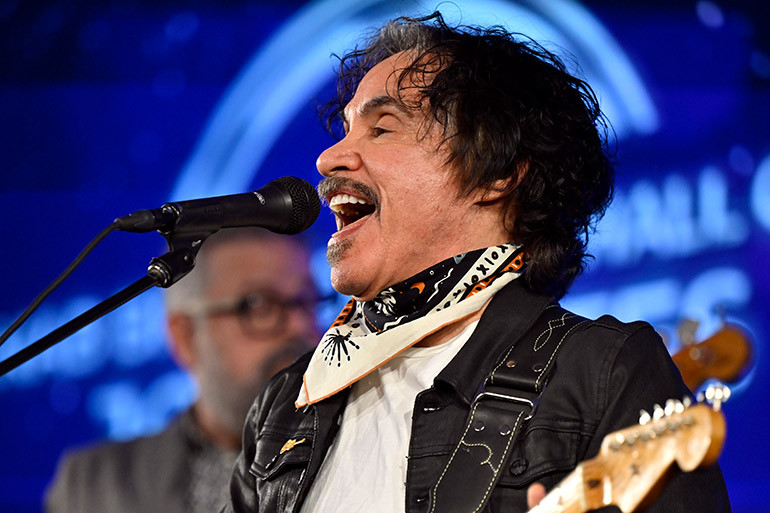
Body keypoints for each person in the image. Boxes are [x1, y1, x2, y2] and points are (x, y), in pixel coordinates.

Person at [224, 12, 731, 513]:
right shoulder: (284, 406)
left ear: (497, 172)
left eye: (381, 129)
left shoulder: (602, 372)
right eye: (346, 129)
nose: (328, 158)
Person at [46, 227, 320, 513]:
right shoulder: (92, 485)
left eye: (307, 301)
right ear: (185, 337)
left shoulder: (347, 453)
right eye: (259, 304)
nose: (300, 326)